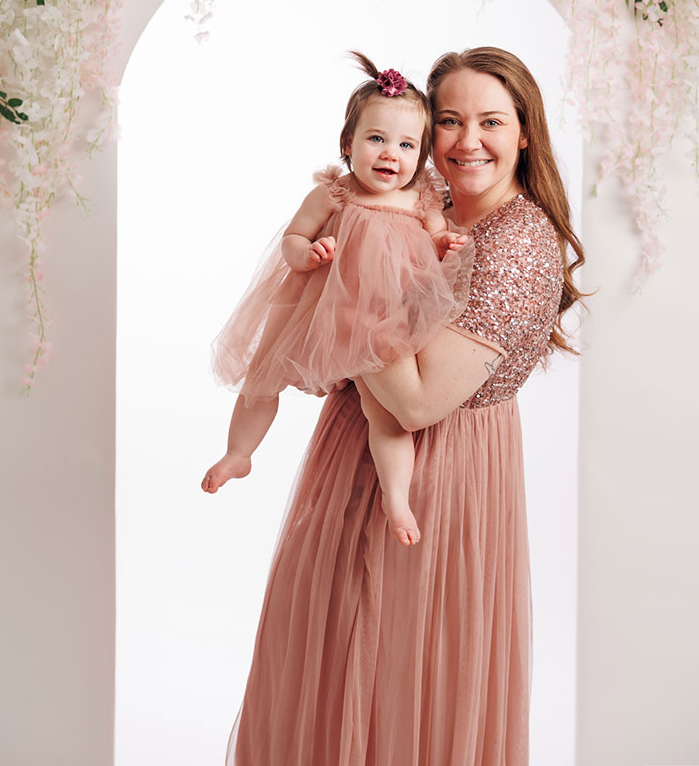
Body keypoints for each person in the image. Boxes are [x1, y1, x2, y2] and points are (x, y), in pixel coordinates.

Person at [221, 47, 584, 765]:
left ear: (525, 132)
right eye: (448, 120)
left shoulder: (516, 245)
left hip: (438, 481)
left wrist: (339, 297)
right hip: (350, 459)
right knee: (326, 673)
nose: (466, 141)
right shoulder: (426, 204)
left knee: (399, 684)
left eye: (490, 121)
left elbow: (416, 402)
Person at [202, 52, 473, 546]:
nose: (391, 154)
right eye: (377, 139)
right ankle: (239, 452)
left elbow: (434, 242)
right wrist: (307, 252)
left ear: (422, 154)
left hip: (379, 322)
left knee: (384, 415)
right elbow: (293, 237)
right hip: (325, 310)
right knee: (263, 375)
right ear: (348, 143)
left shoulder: (421, 198)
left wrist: (443, 244)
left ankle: (396, 498)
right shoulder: (336, 192)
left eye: (407, 144)